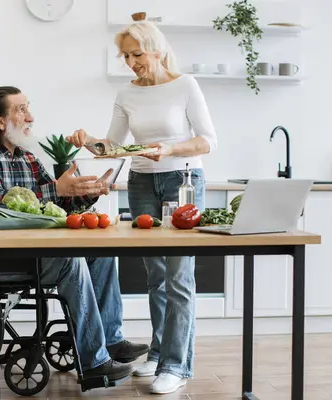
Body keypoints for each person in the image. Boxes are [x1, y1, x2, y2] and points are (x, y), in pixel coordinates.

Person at [0, 85, 149, 383]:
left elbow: (57, 201)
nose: (29, 116)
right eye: (21, 110)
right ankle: (94, 363)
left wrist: (88, 192)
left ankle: (111, 340)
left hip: (31, 252)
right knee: (71, 262)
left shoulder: (27, 158)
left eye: (28, 107)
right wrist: (56, 188)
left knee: (101, 254)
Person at [67, 21, 218, 394]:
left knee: (179, 276)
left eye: (137, 54)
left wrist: (168, 149)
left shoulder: (185, 85)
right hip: (141, 182)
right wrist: (88, 141)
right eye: (126, 56)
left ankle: (177, 365)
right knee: (155, 274)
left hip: (181, 181)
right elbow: (114, 146)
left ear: (156, 49)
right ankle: (159, 351)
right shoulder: (127, 93)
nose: (131, 62)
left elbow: (207, 141)